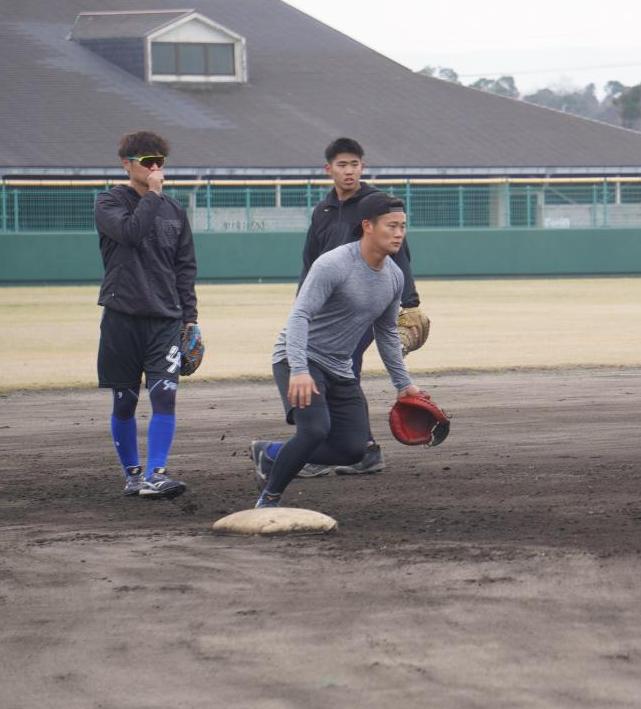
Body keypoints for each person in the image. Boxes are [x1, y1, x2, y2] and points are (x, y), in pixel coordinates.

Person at [250, 193, 422, 508]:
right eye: (391, 226)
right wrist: (299, 370)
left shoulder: (394, 277)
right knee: (315, 430)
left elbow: (385, 332)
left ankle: (272, 453)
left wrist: (403, 384)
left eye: (403, 226)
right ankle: (268, 499)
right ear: (367, 226)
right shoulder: (333, 264)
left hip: (339, 367)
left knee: (353, 450)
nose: (399, 233)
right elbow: (299, 315)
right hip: (299, 357)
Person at [296, 137, 423, 477]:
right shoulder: (323, 210)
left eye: (354, 164)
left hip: (366, 304)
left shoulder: (376, 204)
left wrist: (409, 302)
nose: (349, 170)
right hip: (328, 309)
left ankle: (338, 449)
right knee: (338, 371)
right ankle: (359, 448)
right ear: (329, 170)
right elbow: (310, 261)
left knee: (339, 366)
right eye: (342, 164)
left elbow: (399, 253)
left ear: (362, 167)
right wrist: (301, 305)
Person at [95, 131, 198, 498]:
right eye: (147, 161)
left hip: (165, 319)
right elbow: (132, 232)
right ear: (127, 164)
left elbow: (185, 267)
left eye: (160, 162)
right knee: (124, 401)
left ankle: (157, 473)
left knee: (165, 396)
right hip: (122, 317)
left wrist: (190, 318)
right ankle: (133, 475)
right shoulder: (109, 203)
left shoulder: (174, 211)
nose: (155, 168)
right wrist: (153, 195)